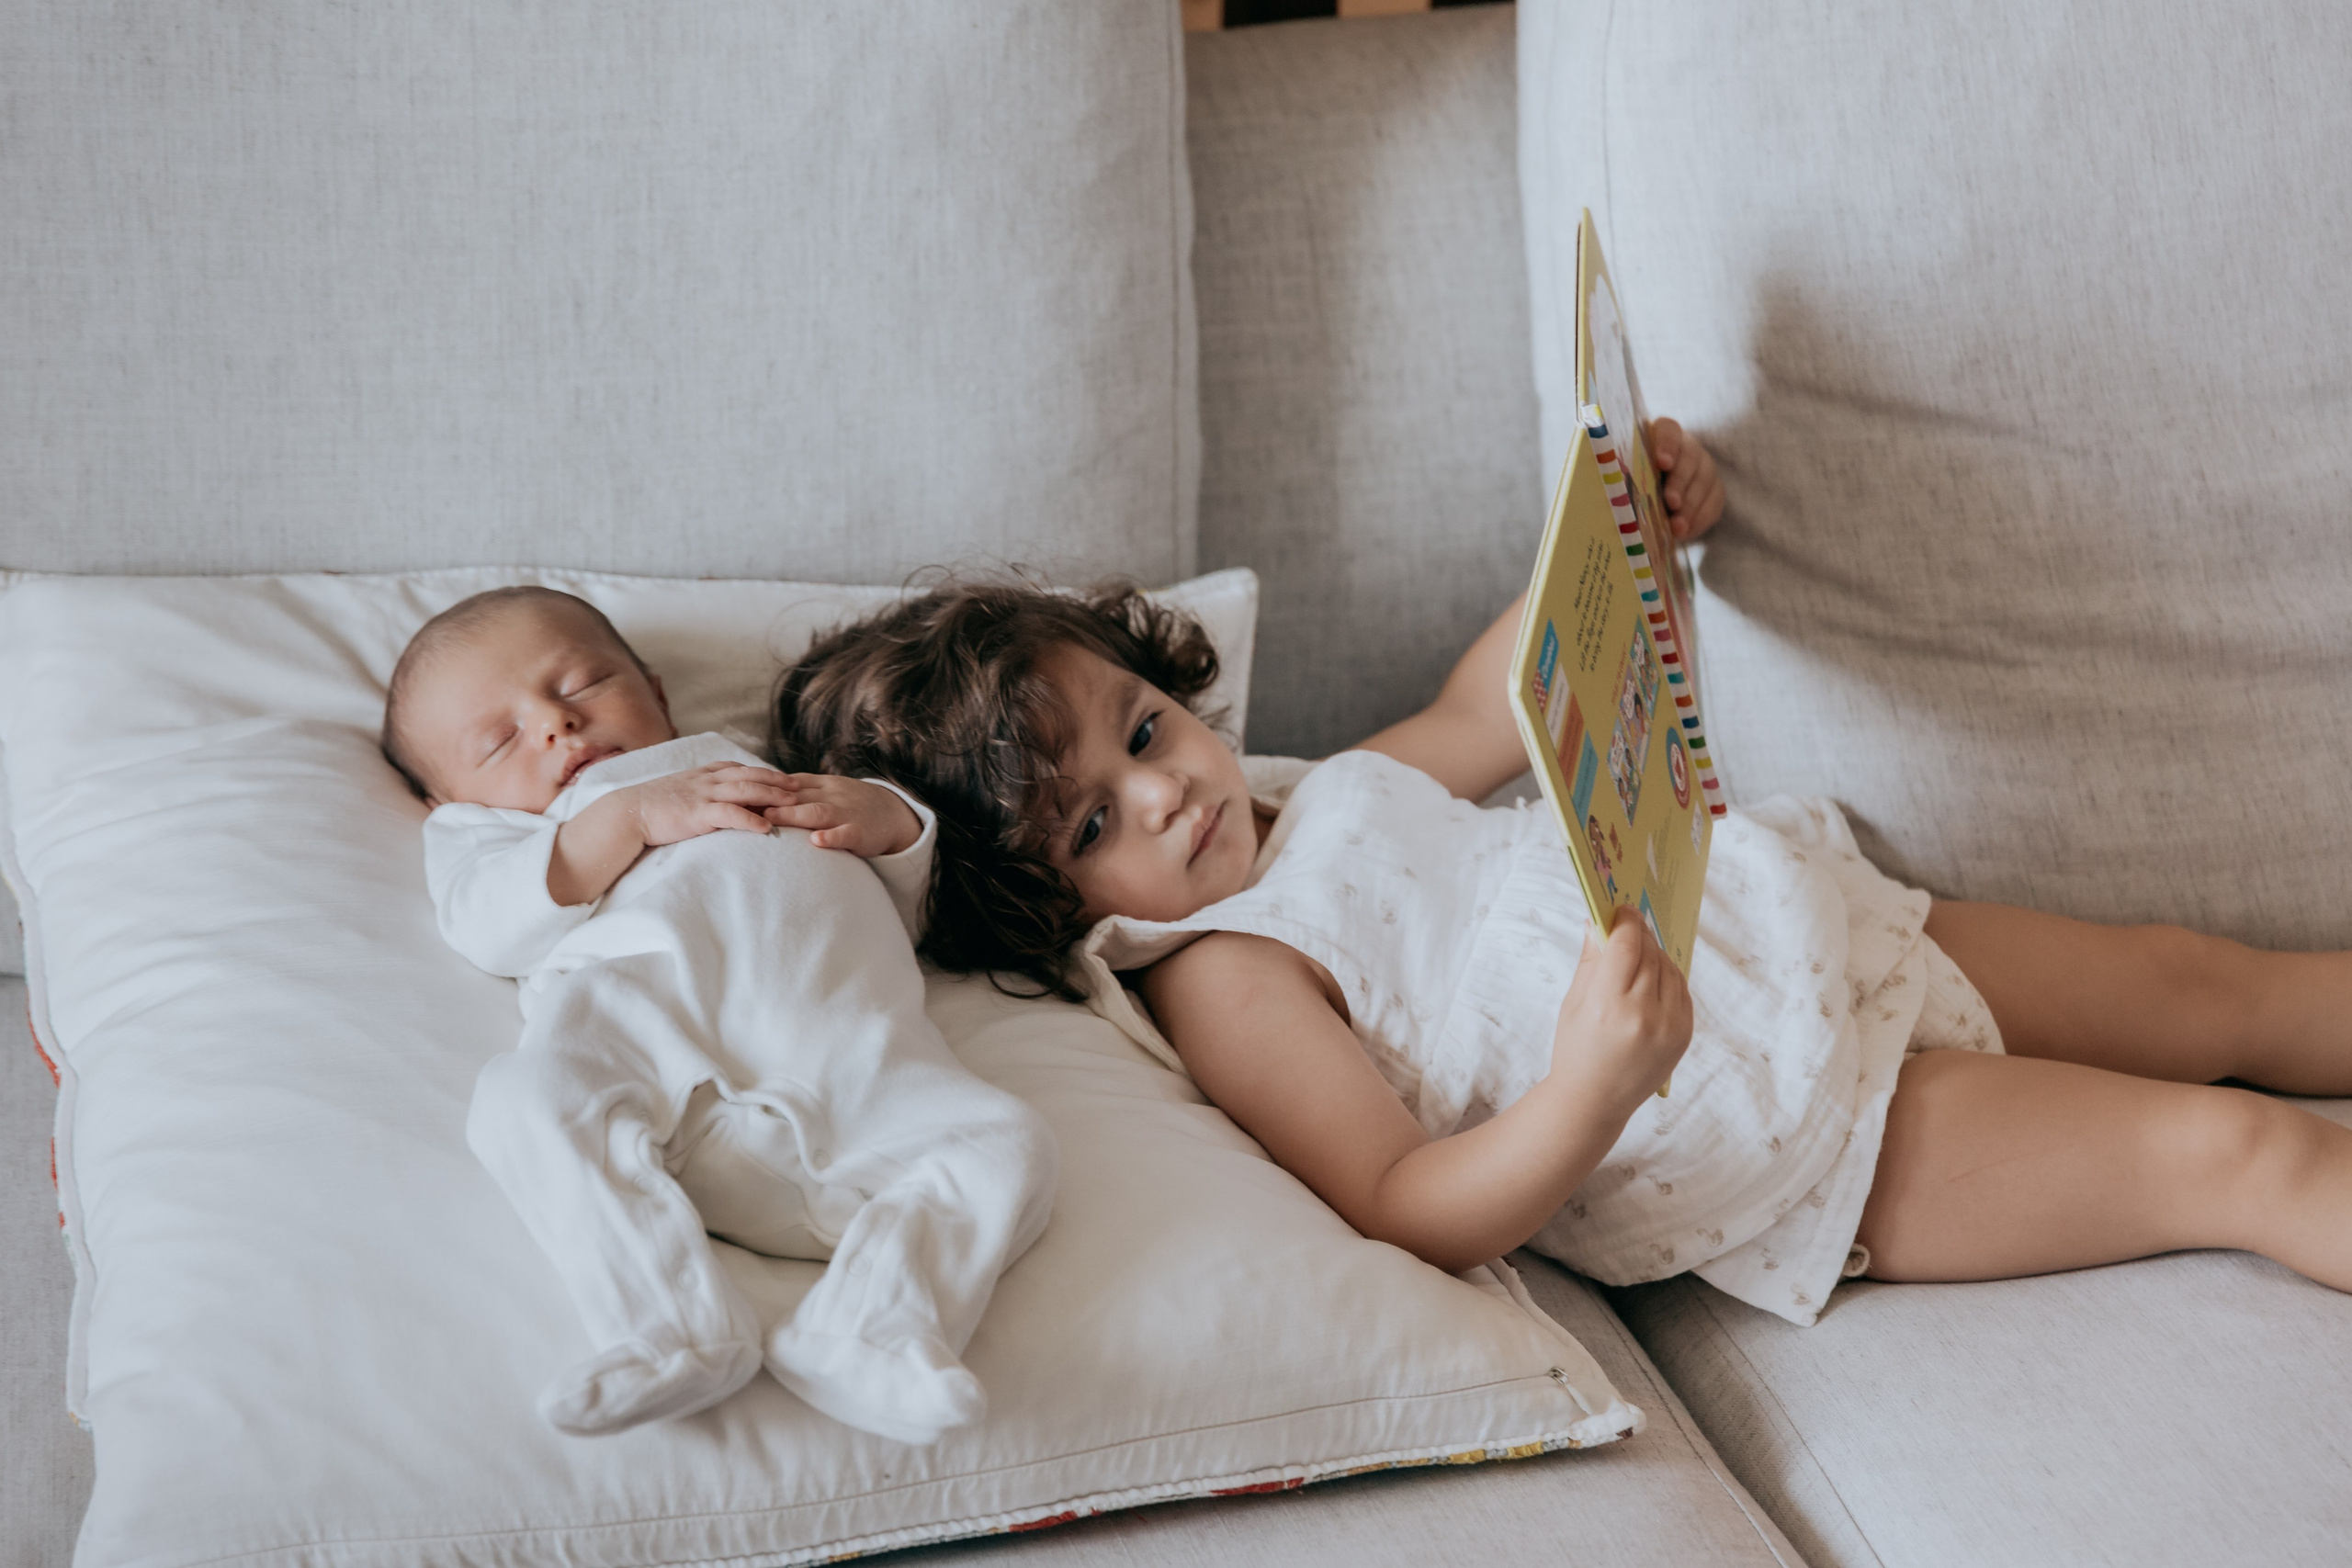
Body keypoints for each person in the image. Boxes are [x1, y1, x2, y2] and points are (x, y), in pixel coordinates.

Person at [770, 422, 2352, 1325]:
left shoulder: (1315, 797)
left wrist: (1621, 537)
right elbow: (1404, 1203)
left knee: (2203, 978)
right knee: (2227, 1150)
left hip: (1809, 926)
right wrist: (1587, 1091)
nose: (1166, 792)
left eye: (1144, 726)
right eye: (1091, 822)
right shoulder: (1230, 977)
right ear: (1044, 901)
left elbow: (1493, 703)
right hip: (1761, 1122)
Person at [383, 586, 1055, 1440]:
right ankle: (669, 1322)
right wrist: (625, 818)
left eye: (582, 683)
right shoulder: (492, 833)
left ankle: (872, 1328)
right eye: (501, 738)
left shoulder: (739, 762)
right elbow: (487, 921)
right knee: (523, 1098)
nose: (556, 724)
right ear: (448, 799)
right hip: (659, 1068)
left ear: (656, 693)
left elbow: (907, 913)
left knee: (1006, 1146)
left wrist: (887, 821)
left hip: (854, 1073)